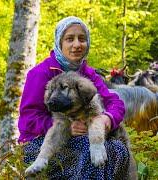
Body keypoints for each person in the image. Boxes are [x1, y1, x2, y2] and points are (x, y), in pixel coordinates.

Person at [18, 16, 130, 179]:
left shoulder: (88, 74)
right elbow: (28, 119)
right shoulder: (40, 73)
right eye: (70, 39)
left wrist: (107, 119)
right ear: (59, 42)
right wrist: (67, 128)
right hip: (39, 143)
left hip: (79, 138)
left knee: (118, 149)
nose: (77, 44)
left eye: (82, 39)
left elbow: (114, 102)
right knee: (88, 151)